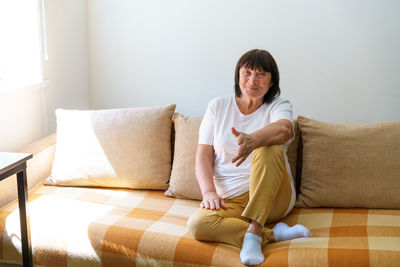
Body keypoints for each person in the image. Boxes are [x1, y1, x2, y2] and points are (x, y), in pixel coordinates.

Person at [187, 49, 312, 266]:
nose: (252, 80)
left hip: (274, 197)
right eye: (247, 72)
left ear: (272, 81)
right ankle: (273, 234)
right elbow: (204, 153)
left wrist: (254, 140)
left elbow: (284, 130)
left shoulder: (278, 106)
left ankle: (254, 233)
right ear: (238, 76)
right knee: (198, 224)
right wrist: (208, 192)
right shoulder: (218, 106)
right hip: (232, 200)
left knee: (269, 147)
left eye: (261, 74)